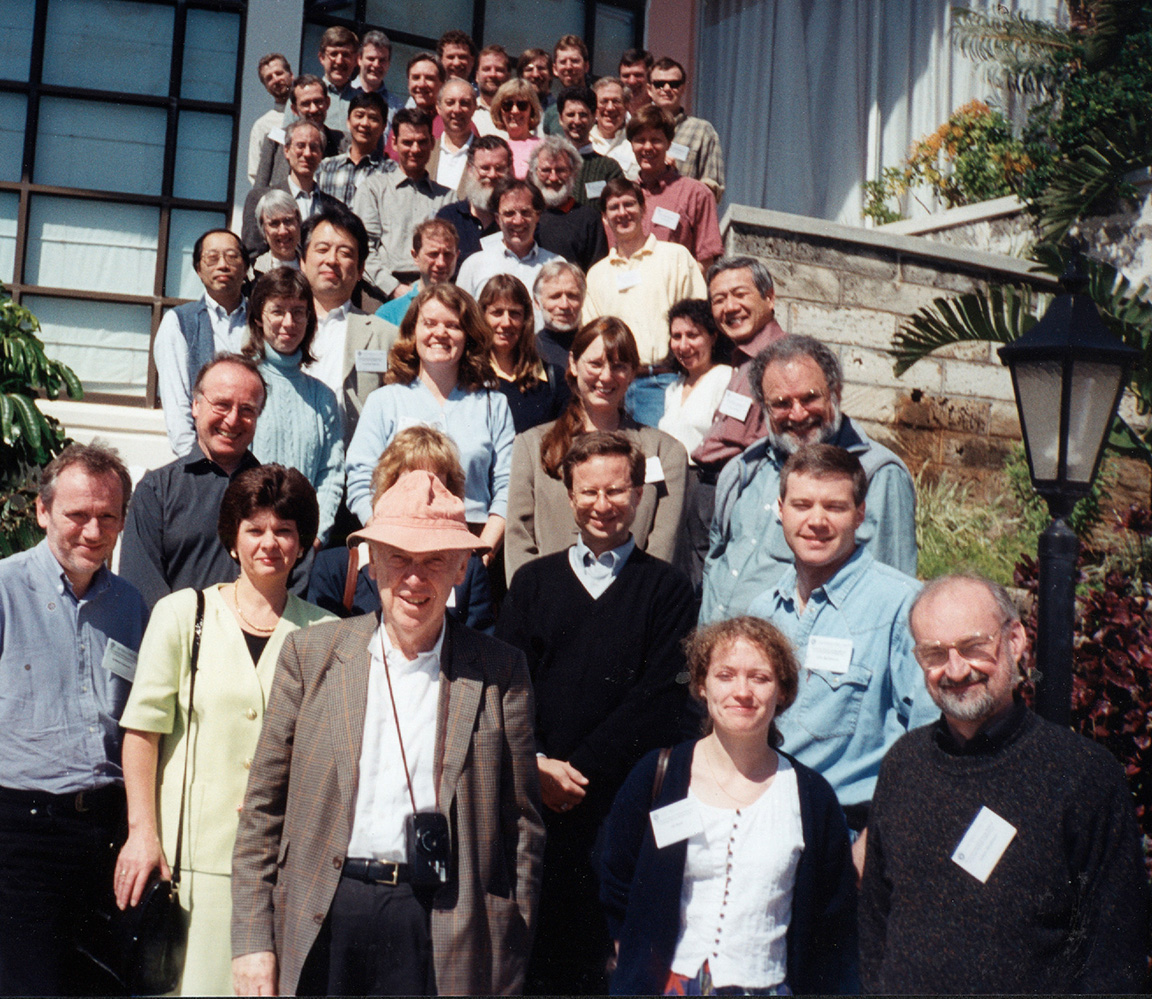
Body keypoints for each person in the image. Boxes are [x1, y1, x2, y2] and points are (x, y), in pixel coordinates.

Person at [231, 470, 544, 996]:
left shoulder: (499, 672)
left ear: (461, 569)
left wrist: (507, 956)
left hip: (442, 921)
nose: (415, 579)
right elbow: (262, 811)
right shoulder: (312, 657)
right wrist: (252, 941)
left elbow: (523, 837)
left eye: (433, 561)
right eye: (398, 557)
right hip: (325, 910)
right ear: (371, 563)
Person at [859, 573, 1151, 994]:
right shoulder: (904, 765)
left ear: (1014, 640)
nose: (956, 670)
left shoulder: (1082, 775)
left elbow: (1114, 954)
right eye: (935, 654)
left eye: (975, 647)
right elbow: (875, 924)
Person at [114, 465, 333, 996]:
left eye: (284, 531)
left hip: (281, 866)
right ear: (232, 538)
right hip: (192, 862)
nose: (270, 543)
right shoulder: (182, 615)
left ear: (302, 543)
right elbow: (142, 734)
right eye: (255, 529)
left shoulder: (328, 634)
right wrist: (144, 834)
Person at [498, 431, 698, 994]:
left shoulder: (668, 590)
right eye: (589, 492)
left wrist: (576, 772)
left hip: (618, 802)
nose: (602, 505)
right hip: (537, 802)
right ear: (568, 494)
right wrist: (537, 765)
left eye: (617, 491)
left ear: (638, 495)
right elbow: (509, 687)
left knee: (608, 959)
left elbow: (662, 697)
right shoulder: (533, 583)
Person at [600, 615, 858, 995]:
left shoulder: (812, 797)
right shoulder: (658, 776)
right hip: (668, 986)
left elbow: (832, 916)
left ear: (783, 692)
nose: (742, 691)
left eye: (760, 677)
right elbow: (614, 874)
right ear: (702, 685)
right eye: (725, 675)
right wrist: (635, 955)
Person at [746, 445, 937, 877]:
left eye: (834, 506)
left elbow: (928, 739)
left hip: (847, 842)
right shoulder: (762, 611)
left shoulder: (902, 607)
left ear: (860, 513)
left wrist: (876, 838)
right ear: (780, 510)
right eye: (801, 504)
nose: (816, 521)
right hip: (762, 828)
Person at [0, 444, 148, 997]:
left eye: (107, 517)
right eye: (77, 515)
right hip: (22, 833)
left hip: (106, 836)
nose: (92, 530)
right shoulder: (5, 589)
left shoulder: (132, 606)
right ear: (43, 512)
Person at [701, 335, 917, 623]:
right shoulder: (743, 469)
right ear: (764, 407)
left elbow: (892, 599)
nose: (798, 413)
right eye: (781, 403)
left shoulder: (877, 475)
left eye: (810, 398)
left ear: (835, 394)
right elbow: (716, 561)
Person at [505, 317, 687, 583]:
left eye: (619, 366)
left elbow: (664, 546)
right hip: (550, 607)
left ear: (633, 372)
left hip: (632, 606)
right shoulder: (532, 447)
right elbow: (518, 538)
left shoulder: (666, 452)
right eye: (595, 364)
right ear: (573, 364)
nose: (606, 376)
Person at [345, 283, 514, 561]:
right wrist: (382, 538)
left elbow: (507, 486)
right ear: (413, 331)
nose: (440, 333)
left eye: (453, 325)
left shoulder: (493, 404)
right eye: (429, 323)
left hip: (474, 544)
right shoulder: (384, 401)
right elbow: (361, 478)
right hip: (398, 542)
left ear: (468, 335)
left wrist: (484, 551)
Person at [306, 427, 495, 632]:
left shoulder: (470, 568)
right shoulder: (334, 568)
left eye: (434, 484)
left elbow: (478, 650)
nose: (422, 493)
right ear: (388, 485)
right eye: (410, 483)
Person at [120, 355, 266, 611]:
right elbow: (141, 592)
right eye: (221, 405)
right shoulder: (156, 492)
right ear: (195, 405)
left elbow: (294, 584)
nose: (232, 419)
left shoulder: (275, 494)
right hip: (179, 645)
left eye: (247, 409)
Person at [686, 256, 786, 591]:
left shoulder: (781, 360)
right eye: (719, 299)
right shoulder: (743, 358)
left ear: (769, 297)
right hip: (712, 488)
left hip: (739, 492)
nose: (730, 307)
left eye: (739, 294)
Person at [583, 177, 707, 427]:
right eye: (614, 207)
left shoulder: (675, 256)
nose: (622, 213)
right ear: (605, 218)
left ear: (643, 209)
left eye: (629, 204)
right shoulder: (596, 274)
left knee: (658, 461)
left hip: (663, 383)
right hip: (612, 389)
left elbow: (700, 319)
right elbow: (591, 337)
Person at [242, 268, 343, 547]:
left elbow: (331, 473)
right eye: (278, 311)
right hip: (251, 540)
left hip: (304, 545)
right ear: (258, 318)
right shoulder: (243, 384)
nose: (288, 322)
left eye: (298, 312)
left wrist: (315, 535)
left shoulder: (322, 397)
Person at [297, 205, 400, 446]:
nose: (331, 260)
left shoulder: (385, 336)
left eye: (345, 252)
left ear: (360, 268)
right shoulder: (276, 326)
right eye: (322, 249)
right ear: (302, 261)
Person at [152, 229, 248, 456]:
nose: (223, 265)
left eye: (232, 256)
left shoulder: (263, 320)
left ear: (245, 267)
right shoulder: (179, 323)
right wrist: (197, 466)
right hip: (205, 461)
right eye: (212, 258)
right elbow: (177, 407)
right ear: (198, 270)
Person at [353, 108, 454, 300]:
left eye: (422, 142)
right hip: (381, 291)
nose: (415, 149)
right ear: (394, 143)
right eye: (407, 142)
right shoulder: (374, 189)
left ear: (432, 143)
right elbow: (364, 248)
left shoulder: (448, 198)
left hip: (433, 292)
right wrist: (394, 288)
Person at [627, 105, 722, 268]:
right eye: (640, 140)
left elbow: (706, 261)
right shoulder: (624, 194)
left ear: (669, 144)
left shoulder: (696, 194)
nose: (648, 147)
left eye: (656, 140)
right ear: (631, 145)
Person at [455, 178, 561, 320]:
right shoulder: (474, 265)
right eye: (509, 213)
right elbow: (461, 319)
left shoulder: (556, 266)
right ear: (497, 219)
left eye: (525, 212)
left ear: (537, 216)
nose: (518, 220)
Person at [480, 273, 568, 433]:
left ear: (526, 319)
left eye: (514, 313)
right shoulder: (469, 378)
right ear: (482, 316)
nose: (506, 323)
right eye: (497, 312)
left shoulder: (553, 378)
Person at [242, 119, 342, 258]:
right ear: (287, 151)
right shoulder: (260, 198)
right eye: (300, 146)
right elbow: (252, 254)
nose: (307, 153)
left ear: (321, 154)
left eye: (314, 147)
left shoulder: (336, 208)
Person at [658, 298, 733, 459]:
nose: (683, 346)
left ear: (713, 337)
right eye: (677, 336)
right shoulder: (674, 388)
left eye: (692, 335)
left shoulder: (725, 378)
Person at [647, 56, 726, 202]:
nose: (666, 89)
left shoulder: (702, 131)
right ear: (649, 89)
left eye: (674, 84)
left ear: (683, 88)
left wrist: (678, 181)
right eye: (659, 84)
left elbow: (713, 188)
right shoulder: (636, 128)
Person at [529, 135, 609, 273]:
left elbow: (598, 272)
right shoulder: (524, 216)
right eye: (546, 170)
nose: (553, 178)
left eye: (561, 170)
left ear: (574, 173)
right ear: (534, 173)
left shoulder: (589, 219)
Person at [252, 75, 343, 191]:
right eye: (306, 104)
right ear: (294, 109)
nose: (314, 109)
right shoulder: (275, 140)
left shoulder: (342, 141)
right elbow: (259, 190)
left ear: (328, 103)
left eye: (318, 101)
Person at [435, 134, 513, 267]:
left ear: (510, 171)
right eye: (485, 168)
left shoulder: (519, 221)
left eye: (499, 168)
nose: (492, 175)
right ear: (470, 170)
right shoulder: (448, 218)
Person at [314, 91, 392, 207]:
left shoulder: (390, 172)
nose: (365, 123)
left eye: (373, 118)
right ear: (348, 121)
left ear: (384, 127)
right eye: (359, 116)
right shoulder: (325, 167)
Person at [375, 218, 459, 326]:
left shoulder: (466, 308)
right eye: (433, 254)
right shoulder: (389, 314)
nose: (441, 263)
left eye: (448, 254)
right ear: (415, 256)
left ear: (457, 256)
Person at [556, 86, 625, 205]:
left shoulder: (609, 168)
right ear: (561, 119)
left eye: (583, 115)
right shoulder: (548, 164)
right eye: (571, 115)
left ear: (594, 117)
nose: (577, 121)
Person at [248, 54, 293, 185]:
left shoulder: (311, 112)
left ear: (291, 74)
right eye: (269, 78)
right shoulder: (263, 125)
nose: (276, 80)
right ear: (266, 86)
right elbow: (255, 173)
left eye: (279, 73)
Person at [532, 259, 586, 368]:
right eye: (555, 296)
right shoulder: (528, 352)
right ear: (537, 302)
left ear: (583, 300)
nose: (564, 305)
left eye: (572, 296)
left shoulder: (596, 347)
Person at [426, 78, 476, 193]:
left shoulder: (485, 155)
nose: (457, 110)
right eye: (450, 102)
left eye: (464, 103)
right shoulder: (426, 152)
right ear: (439, 108)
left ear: (474, 108)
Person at [348, 30, 406, 126]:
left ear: (388, 64)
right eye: (371, 59)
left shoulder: (396, 107)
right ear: (359, 59)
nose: (376, 65)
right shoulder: (345, 95)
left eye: (382, 60)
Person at [488, 78, 543, 179]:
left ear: (532, 109)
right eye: (507, 105)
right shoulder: (495, 149)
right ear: (499, 110)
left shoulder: (544, 148)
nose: (514, 111)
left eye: (522, 105)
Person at [590, 77, 640, 180]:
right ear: (594, 106)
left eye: (616, 101)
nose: (610, 108)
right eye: (604, 101)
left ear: (626, 106)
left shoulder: (637, 142)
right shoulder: (584, 142)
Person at [314, 25, 360, 130]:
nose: (339, 61)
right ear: (322, 58)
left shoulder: (364, 101)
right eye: (334, 54)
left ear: (355, 60)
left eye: (346, 55)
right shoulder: (304, 97)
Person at [543, 35, 590, 135]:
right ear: (555, 69)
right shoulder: (551, 114)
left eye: (574, 61)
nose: (568, 67)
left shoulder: (601, 105)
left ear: (586, 66)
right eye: (563, 62)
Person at [250, 190, 301, 275]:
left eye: (288, 221)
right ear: (263, 229)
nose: (283, 231)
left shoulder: (312, 268)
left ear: (298, 222)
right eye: (274, 223)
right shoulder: (253, 272)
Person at [472, 44, 513, 136]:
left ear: (508, 76)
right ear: (476, 76)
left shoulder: (520, 113)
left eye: (499, 70)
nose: (492, 74)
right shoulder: (467, 112)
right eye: (486, 69)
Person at [516, 47, 553, 116]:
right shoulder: (512, 110)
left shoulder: (560, 109)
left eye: (541, 68)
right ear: (521, 76)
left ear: (551, 74)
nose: (535, 75)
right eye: (529, 69)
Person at [618, 48, 654, 116]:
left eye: (638, 75)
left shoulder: (661, 113)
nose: (632, 81)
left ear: (650, 77)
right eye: (626, 75)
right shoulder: (614, 115)